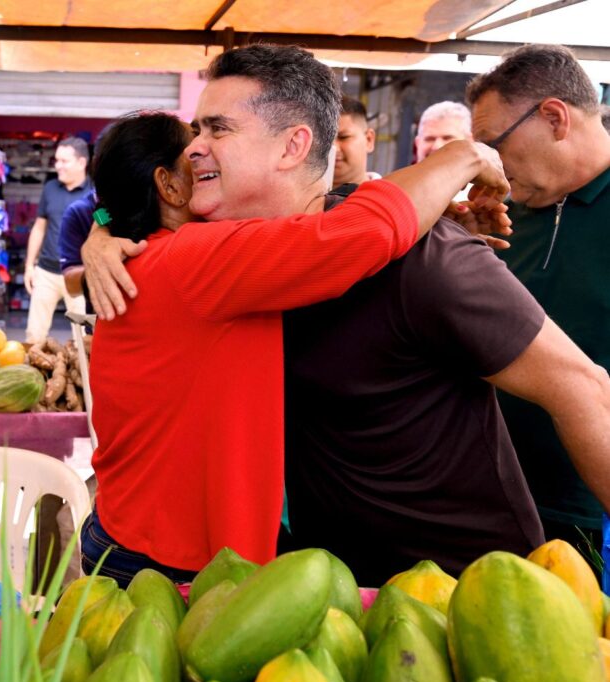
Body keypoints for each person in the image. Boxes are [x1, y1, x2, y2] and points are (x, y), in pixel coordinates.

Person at [86, 44, 610, 587]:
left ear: (293, 146)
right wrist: (103, 232)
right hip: (323, 594)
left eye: (217, 130)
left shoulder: (423, 257)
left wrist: (459, 168)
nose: (193, 149)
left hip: (460, 591)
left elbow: (584, 388)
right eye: (196, 131)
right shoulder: (213, 254)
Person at [467, 44, 610, 559]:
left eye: (493, 146)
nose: (489, 168)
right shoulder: (503, 217)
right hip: (499, 493)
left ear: (554, 117)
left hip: (592, 511)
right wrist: (458, 253)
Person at [23, 137, 91, 344]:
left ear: (81, 163)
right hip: (46, 272)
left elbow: (103, 227)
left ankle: (84, 377)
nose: (57, 166)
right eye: (56, 160)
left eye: (64, 161)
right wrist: (29, 266)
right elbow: (40, 227)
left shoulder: (94, 194)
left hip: (79, 274)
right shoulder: (50, 189)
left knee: (83, 338)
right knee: (34, 336)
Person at [332, 96, 377, 192]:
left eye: (343, 137)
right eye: (326, 140)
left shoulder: (390, 202)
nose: (334, 147)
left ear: (369, 140)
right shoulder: (299, 203)